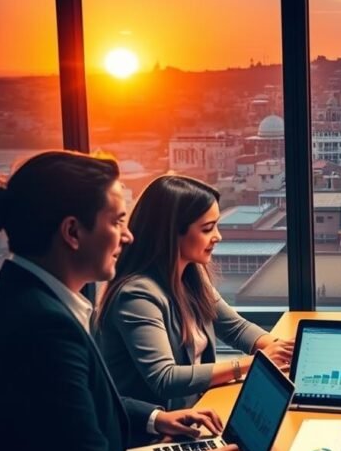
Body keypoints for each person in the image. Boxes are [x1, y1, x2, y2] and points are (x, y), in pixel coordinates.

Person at [0, 152, 245, 451]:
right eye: (118, 221)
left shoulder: (18, 297)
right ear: (72, 233)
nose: (128, 235)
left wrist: (155, 418)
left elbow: (72, 410)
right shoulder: (42, 326)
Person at [97, 175, 294, 411]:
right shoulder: (137, 295)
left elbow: (235, 328)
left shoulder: (191, 276)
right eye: (207, 228)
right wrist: (255, 364)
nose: (218, 236)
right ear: (170, 233)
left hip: (196, 411)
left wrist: (282, 350)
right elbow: (165, 378)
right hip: (155, 434)